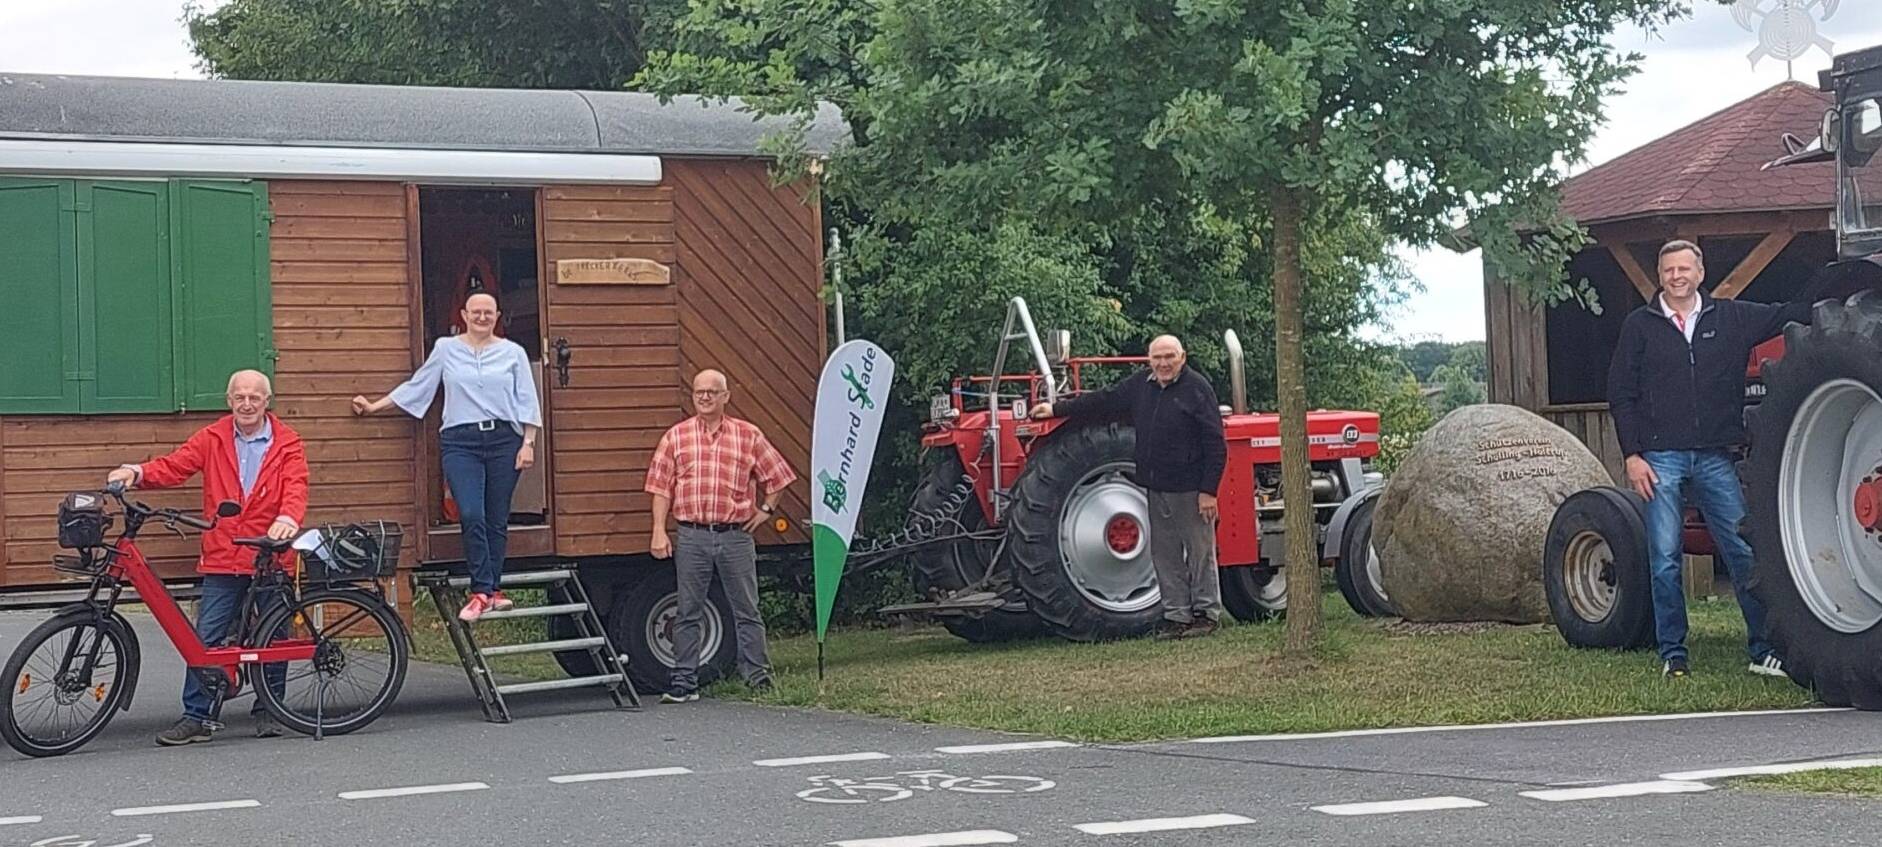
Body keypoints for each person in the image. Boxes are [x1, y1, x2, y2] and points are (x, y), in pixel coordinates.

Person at [1607, 239, 1816, 680]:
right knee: (1665, 558)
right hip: (1660, 458)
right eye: (1669, 270)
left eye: (1684, 269)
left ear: (1700, 273)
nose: (1676, 277)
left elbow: (1783, 314)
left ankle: (1764, 649)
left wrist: (1834, 292)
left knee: (1743, 552)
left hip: (1715, 456)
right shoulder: (1640, 326)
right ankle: (1673, 654)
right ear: (1660, 276)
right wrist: (1632, 455)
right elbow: (1621, 393)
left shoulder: (1730, 318)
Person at [106, 370, 309, 746]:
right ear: (229, 401)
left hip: (269, 551)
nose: (246, 404)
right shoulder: (213, 437)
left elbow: (296, 486)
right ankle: (197, 716)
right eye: (240, 397)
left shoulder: (288, 443)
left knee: (274, 635)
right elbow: (176, 465)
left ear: (267, 402)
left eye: (254, 397)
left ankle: (270, 709)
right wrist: (136, 472)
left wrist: (288, 518)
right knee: (207, 638)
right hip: (224, 553)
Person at [353, 292, 541, 622]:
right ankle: (482, 591)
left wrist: (528, 443)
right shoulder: (446, 348)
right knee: (470, 512)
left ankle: (490, 590)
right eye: (476, 312)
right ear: (464, 315)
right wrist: (373, 406)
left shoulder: (513, 353)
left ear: (497, 316)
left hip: (504, 440)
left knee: (496, 517)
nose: (482, 317)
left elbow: (527, 398)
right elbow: (419, 385)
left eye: (488, 312)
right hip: (460, 441)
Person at [1030, 335, 1228, 639]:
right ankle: (1177, 615)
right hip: (1155, 487)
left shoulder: (1197, 389)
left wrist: (1208, 491)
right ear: (1149, 360)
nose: (1163, 363)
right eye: (1157, 358)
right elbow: (1103, 400)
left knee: (1199, 553)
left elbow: (1215, 443)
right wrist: (1056, 409)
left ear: (1182, 357)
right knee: (1165, 555)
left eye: (1169, 357)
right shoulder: (1140, 385)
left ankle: (1206, 614)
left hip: (1190, 488)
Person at [645, 369, 797, 702]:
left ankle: (758, 677)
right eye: (699, 392)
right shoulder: (676, 437)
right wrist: (658, 530)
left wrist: (766, 510)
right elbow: (660, 488)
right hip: (692, 535)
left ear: (726, 396)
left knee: (747, 609)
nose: (704, 397)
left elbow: (779, 477)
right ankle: (684, 682)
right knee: (687, 610)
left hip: (735, 535)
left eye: (712, 392)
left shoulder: (748, 435)